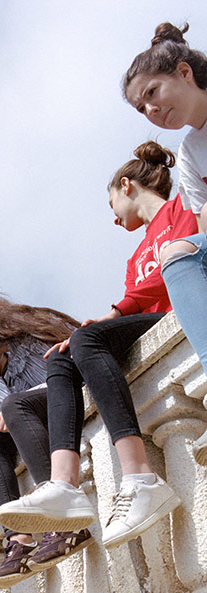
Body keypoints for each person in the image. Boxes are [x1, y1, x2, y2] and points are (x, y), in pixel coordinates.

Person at [0, 141, 197, 550]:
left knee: (85, 335)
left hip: (182, 309)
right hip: (144, 321)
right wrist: (110, 318)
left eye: (111, 205)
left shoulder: (182, 209)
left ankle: (140, 476)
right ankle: (65, 485)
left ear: (126, 186)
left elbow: (180, 265)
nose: (113, 218)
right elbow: (134, 301)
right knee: (65, 353)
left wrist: (112, 313)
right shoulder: (135, 255)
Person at [0, 289, 90, 586]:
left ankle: (64, 520)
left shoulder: (30, 339)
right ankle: (18, 539)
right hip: (39, 412)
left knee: (12, 407)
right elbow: (4, 416)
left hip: (75, 396)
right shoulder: (4, 360)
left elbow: (64, 378)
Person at [123, 22, 207, 464]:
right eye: (142, 108)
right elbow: (204, 224)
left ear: (184, 72)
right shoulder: (193, 150)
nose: (151, 110)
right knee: (178, 255)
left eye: (153, 93)